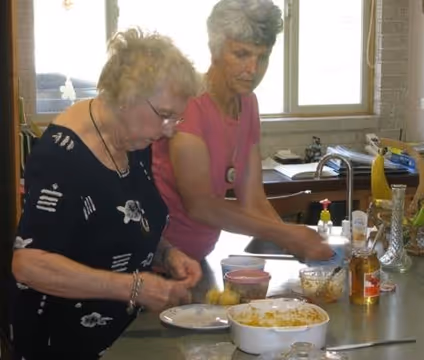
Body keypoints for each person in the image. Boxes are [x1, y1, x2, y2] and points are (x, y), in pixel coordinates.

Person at [9, 28, 202, 359]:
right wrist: (135, 287)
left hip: (115, 338)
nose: (171, 129)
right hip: (60, 342)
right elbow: (28, 264)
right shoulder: (62, 156)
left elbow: (122, 219)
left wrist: (166, 254)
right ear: (126, 97)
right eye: (165, 115)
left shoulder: (133, 137)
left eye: (177, 118)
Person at [152, 0, 334, 262]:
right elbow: (201, 206)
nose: (253, 69)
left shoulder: (247, 103)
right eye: (241, 54)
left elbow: (253, 200)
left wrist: (294, 242)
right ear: (214, 49)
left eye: (262, 57)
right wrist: (288, 236)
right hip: (158, 260)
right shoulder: (190, 104)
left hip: (197, 259)